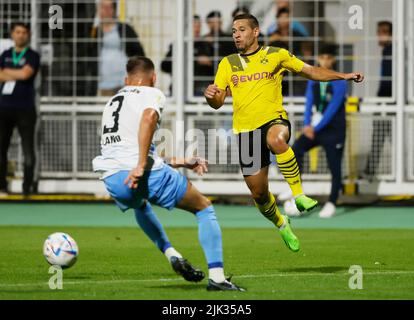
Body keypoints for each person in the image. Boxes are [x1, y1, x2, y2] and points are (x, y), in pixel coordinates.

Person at [204, 14, 363, 251]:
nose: (236, 34)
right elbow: (217, 101)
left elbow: (310, 71)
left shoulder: (276, 55)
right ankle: (281, 222)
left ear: (256, 31)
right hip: (246, 131)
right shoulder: (228, 63)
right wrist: (211, 96)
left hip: (274, 120)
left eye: (241, 29)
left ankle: (298, 195)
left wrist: (343, 76)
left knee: (277, 139)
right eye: (234, 31)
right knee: (258, 193)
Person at [92, 56, 244, 291]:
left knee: (141, 204)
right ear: (153, 78)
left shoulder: (112, 101)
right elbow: (149, 118)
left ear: (126, 80)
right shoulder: (152, 93)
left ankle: (171, 253)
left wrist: (181, 161)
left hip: (112, 178)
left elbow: (126, 150)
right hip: (141, 172)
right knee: (204, 208)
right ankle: (217, 278)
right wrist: (141, 165)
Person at [285, 44, 347, 218]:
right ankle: (297, 193)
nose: (325, 60)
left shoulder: (339, 80)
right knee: (295, 150)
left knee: (334, 166)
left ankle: (332, 202)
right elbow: (308, 103)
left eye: (328, 57)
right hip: (314, 129)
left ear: (333, 60)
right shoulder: (312, 79)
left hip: (334, 130)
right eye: (322, 57)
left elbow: (332, 109)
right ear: (318, 58)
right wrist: (306, 126)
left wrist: (314, 127)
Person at [0, 22, 40, 196]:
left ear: (28, 35)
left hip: (25, 108)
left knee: (28, 149)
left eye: (24, 32)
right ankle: (2, 186)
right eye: (17, 32)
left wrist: (8, 72)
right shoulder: (6, 54)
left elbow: (26, 74)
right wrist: (17, 72)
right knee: (2, 148)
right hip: (4, 108)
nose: (20, 35)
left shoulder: (32, 55)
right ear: (12, 34)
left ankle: (27, 188)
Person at [89, 0, 145, 96]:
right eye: (102, 7)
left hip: (124, 83)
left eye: (108, 7)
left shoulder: (125, 29)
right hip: (103, 84)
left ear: (114, 10)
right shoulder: (94, 32)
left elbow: (139, 53)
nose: (105, 11)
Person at [364, 21, 393, 177]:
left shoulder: (391, 51)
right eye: (379, 31)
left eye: (384, 31)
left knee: (381, 134)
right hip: (386, 98)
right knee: (383, 135)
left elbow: (389, 80)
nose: (380, 35)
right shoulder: (387, 51)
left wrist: (382, 98)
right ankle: (370, 170)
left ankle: (369, 171)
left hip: (388, 99)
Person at [161, 15, 213, 96]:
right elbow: (164, 66)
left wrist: (210, 62)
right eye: (194, 26)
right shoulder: (178, 45)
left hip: (200, 88)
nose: (197, 29)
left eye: (199, 26)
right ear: (187, 28)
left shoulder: (205, 45)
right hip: (179, 87)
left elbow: (215, 66)